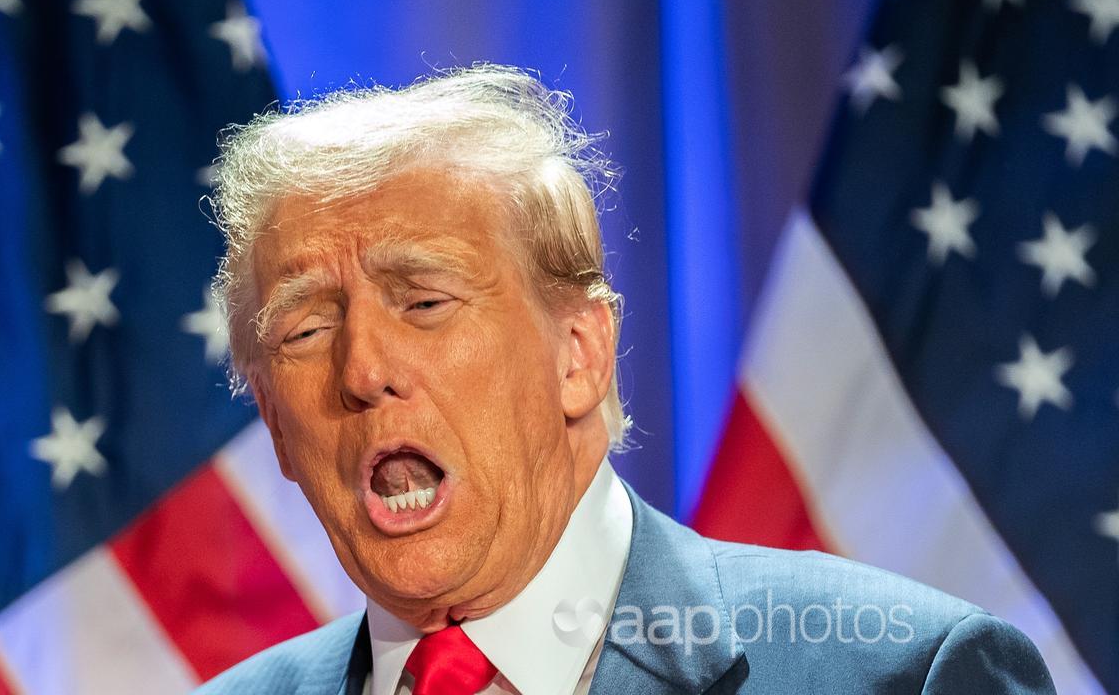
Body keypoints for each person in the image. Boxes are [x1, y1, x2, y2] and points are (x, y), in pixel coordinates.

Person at [195, 65, 1054, 694]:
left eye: (423, 302)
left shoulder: (902, 674)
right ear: (273, 421)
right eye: (306, 329)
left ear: (580, 355)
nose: (364, 370)